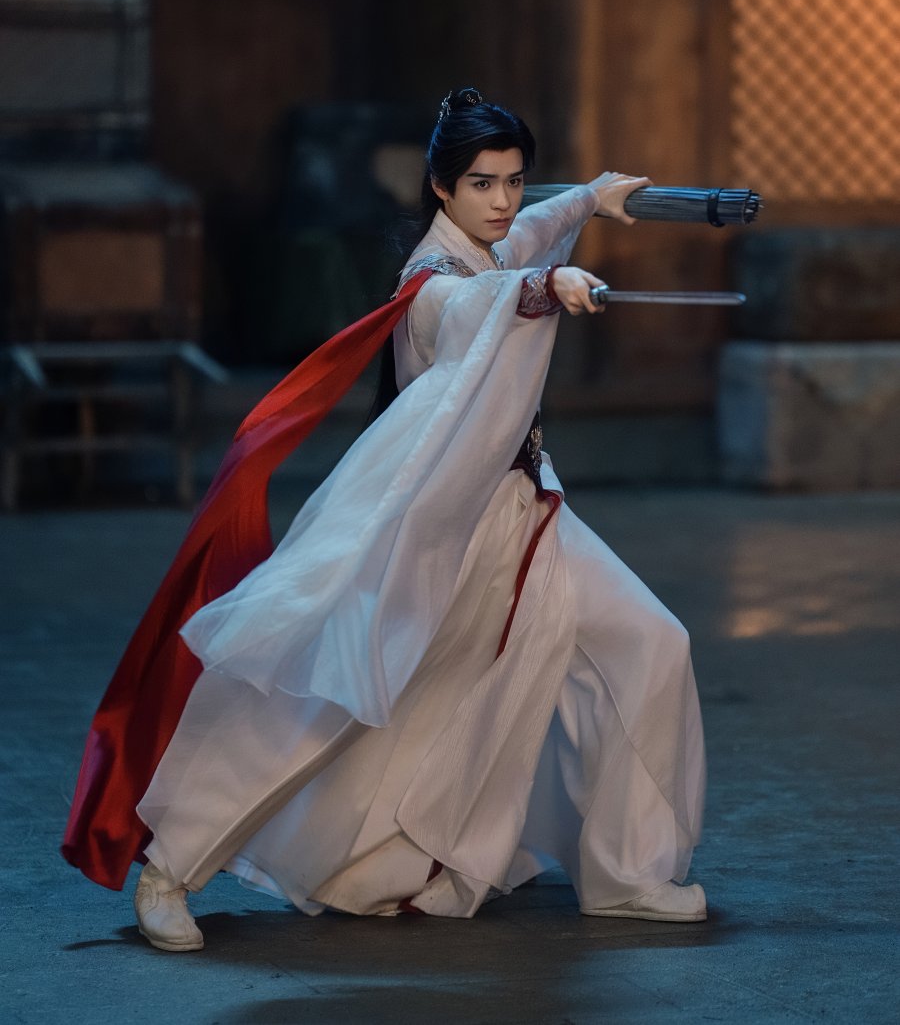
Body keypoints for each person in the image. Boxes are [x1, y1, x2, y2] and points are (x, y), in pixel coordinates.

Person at [64, 88, 706, 951]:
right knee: (326, 707)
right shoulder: (433, 281)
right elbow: (483, 301)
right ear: (440, 187)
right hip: (433, 539)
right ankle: (169, 867)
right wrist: (546, 286)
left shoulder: (491, 243)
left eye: (514, 181)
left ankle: (630, 876)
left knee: (652, 642)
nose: (503, 201)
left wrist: (592, 197)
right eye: (482, 184)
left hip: (522, 521)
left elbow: (528, 233)